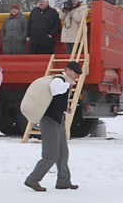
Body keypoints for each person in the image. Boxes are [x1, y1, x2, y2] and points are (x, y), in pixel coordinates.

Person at [24, 61, 82, 192]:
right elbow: (55, 90)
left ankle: (63, 181)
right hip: (50, 120)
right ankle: (33, 180)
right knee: (51, 154)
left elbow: (56, 99)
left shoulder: (64, 81)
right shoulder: (58, 80)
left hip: (59, 119)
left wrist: (64, 107)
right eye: (75, 73)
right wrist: (67, 83)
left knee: (63, 152)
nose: (76, 77)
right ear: (67, 70)